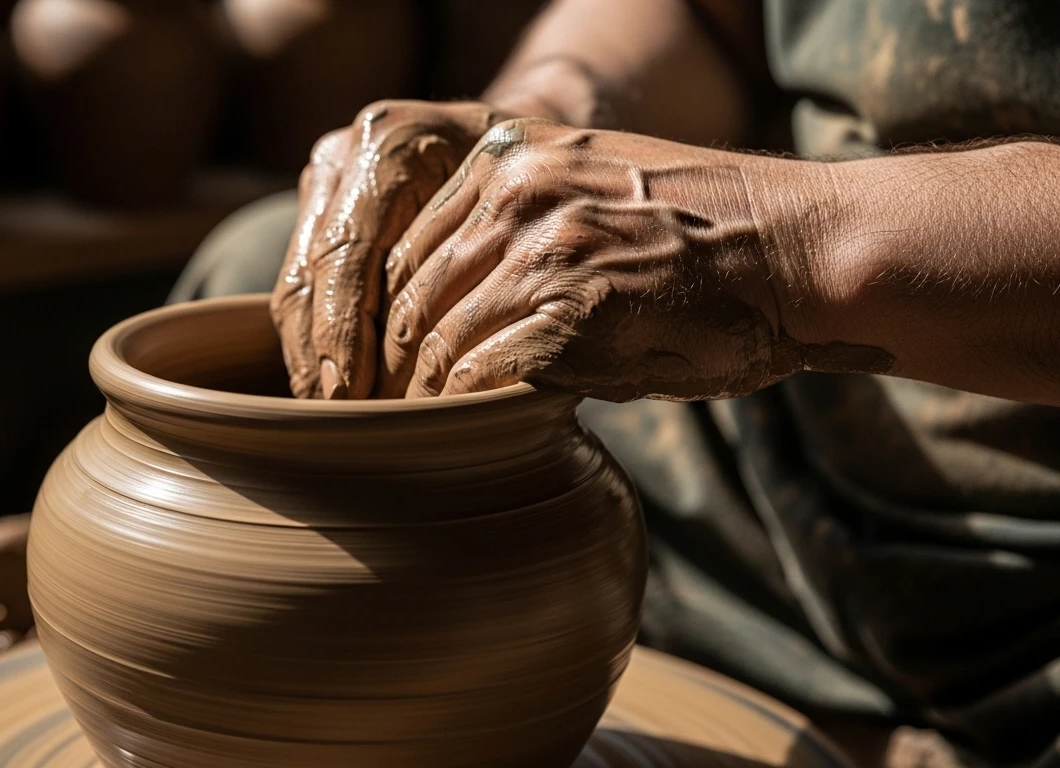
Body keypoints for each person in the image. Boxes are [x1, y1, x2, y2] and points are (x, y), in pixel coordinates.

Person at [170, 2, 1060, 765]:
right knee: (274, 272)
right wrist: (527, 132)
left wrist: (786, 246)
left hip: (1025, 543)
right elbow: (706, 18)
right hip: (801, 447)